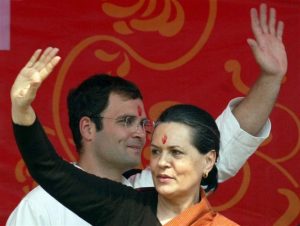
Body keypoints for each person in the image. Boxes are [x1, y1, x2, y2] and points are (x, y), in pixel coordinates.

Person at [7, 3, 287, 226]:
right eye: (126, 121)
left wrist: (271, 78)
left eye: (143, 123)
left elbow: (228, 138)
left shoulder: (149, 193)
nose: (140, 132)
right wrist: (21, 109)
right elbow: (48, 168)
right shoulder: (46, 205)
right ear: (88, 128)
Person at [14, 99, 240, 225]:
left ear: (208, 161)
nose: (161, 162)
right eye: (155, 152)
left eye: (176, 153)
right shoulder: (124, 208)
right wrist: (22, 109)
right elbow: (50, 170)